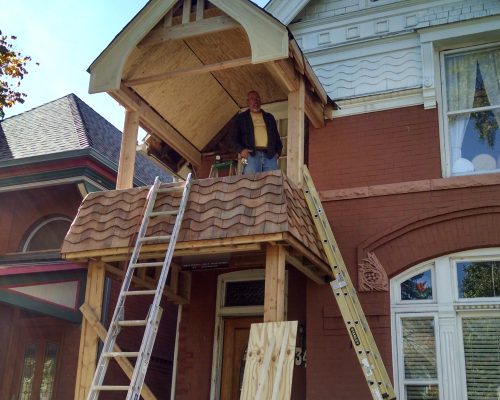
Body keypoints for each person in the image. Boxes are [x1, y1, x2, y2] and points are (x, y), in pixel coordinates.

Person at [231, 90, 283, 174]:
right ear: (247, 102)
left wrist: (277, 152)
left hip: (270, 155)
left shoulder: (269, 117)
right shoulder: (241, 118)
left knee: (272, 182)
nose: (256, 101)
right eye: (252, 99)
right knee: (250, 182)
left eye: (258, 98)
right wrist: (241, 150)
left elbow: (277, 137)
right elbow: (232, 139)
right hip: (250, 156)